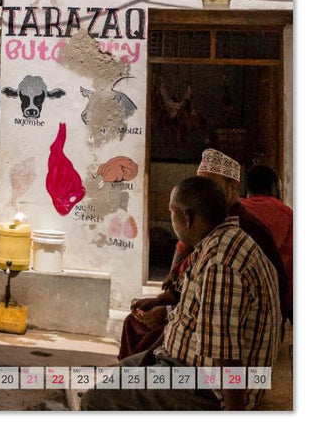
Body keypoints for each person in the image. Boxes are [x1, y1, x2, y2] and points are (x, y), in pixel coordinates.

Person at [82, 176, 281, 411]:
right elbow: (190, 306)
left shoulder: (221, 263)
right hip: (182, 363)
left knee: (95, 400)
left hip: (206, 388)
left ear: (187, 218)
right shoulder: (217, 242)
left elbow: (226, 354)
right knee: (115, 374)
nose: (171, 219)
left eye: (172, 212)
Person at [121, 149, 290, 358]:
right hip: (199, 316)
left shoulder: (238, 235)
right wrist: (164, 299)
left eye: (211, 185)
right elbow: (187, 269)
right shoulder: (205, 224)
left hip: (237, 332)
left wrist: (167, 312)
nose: (201, 192)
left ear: (232, 187)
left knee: (150, 344)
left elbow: (220, 327)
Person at [241, 165, 292, 318]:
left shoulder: (232, 209)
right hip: (269, 296)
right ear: (274, 188)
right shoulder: (286, 213)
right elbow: (290, 266)